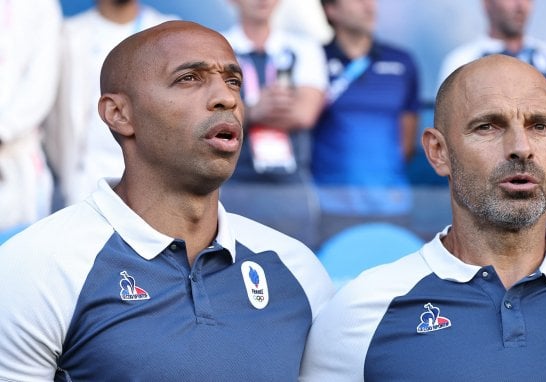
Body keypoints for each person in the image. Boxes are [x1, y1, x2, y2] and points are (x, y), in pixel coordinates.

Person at [0, 20, 333, 380]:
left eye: (233, 81)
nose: (227, 97)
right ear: (118, 113)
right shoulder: (37, 267)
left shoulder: (297, 270)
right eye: (189, 78)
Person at [299, 55, 546, 381]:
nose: (521, 147)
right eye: (488, 127)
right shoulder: (362, 311)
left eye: (539, 126)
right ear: (438, 152)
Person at [437, 0, 546, 192]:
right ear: (486, 4)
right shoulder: (461, 60)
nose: (520, 5)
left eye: (540, 126)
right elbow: (450, 137)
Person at [45, 0, 177, 207]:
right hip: (84, 184)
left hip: (156, 187)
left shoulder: (170, 32)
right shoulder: (68, 35)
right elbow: (52, 120)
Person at [220, 0, 328, 247]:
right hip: (234, 184)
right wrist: (255, 110)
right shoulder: (217, 48)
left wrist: (238, 112)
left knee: (296, 268)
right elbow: (207, 118)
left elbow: (304, 114)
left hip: (290, 187)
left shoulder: (303, 48)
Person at [312, 0, 420, 240]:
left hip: (393, 205)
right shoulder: (314, 60)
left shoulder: (403, 62)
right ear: (331, 10)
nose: (369, 6)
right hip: (332, 205)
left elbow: (407, 143)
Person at [0, 0, 61, 233]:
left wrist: (4, 131)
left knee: (16, 257)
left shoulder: (40, 5)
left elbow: (40, 84)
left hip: (18, 165)